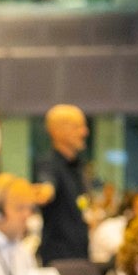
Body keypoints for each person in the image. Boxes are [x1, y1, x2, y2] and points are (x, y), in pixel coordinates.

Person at [35, 104, 90, 264]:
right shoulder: (49, 164)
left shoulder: (77, 167)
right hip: (60, 259)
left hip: (80, 254)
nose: (84, 132)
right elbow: (47, 183)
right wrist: (45, 190)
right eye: (78, 127)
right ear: (57, 131)